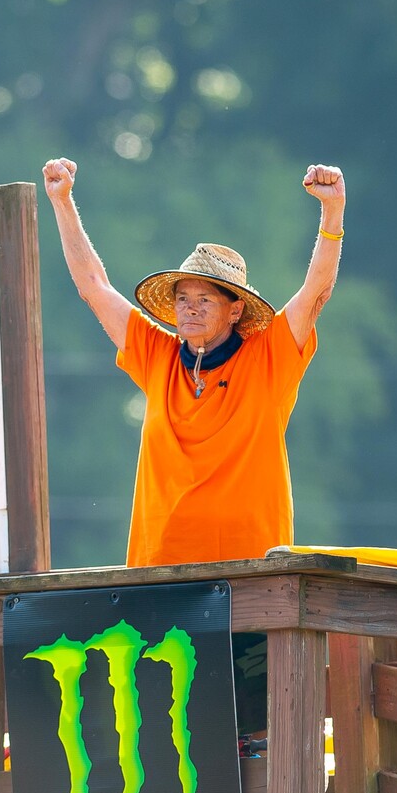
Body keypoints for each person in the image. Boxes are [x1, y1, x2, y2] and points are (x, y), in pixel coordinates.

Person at [42, 157, 347, 740]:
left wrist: (331, 213)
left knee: (253, 738)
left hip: (253, 585)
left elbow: (316, 293)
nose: (192, 306)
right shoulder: (157, 357)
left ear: (237, 309)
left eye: (209, 297)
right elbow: (92, 288)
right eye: (184, 296)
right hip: (162, 582)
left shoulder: (269, 358)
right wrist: (61, 201)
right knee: (163, 739)